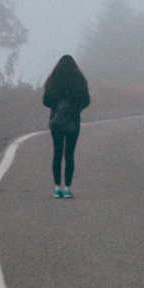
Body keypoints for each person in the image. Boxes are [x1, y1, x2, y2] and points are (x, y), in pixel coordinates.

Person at [42, 55, 90, 198]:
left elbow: (45, 101)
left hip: (56, 121)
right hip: (73, 121)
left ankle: (57, 189)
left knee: (57, 154)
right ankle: (68, 189)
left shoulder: (53, 81)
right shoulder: (79, 80)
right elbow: (87, 100)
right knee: (69, 155)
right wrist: (75, 108)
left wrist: (57, 107)